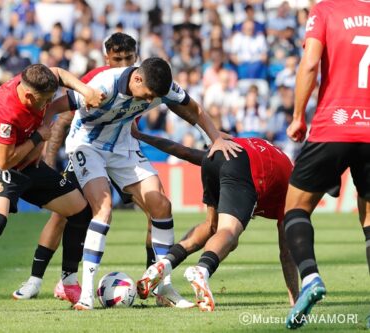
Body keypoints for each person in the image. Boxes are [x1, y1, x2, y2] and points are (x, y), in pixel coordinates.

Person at [46, 56, 242, 310]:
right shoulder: (105, 85)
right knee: (103, 209)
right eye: (148, 95)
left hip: (123, 145)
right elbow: (55, 107)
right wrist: (42, 127)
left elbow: (194, 109)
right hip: (87, 145)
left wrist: (214, 137)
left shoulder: (161, 85)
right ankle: (85, 295)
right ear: (137, 78)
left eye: (154, 98)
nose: (150, 101)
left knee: (161, 205)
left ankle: (164, 288)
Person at [0, 64, 104, 314]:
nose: (49, 103)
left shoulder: (32, 80)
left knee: (80, 210)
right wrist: (39, 137)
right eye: (45, 100)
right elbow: (4, 161)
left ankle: (68, 282)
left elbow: (58, 73)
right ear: (29, 96)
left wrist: (85, 90)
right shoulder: (6, 110)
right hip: (1, 167)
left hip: (30, 163)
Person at [12, 33, 151, 305]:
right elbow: (64, 115)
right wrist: (49, 157)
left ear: (136, 57)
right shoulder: (96, 79)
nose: (122, 63)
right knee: (62, 216)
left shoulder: (143, 80)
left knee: (154, 208)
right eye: (117, 59)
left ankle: (151, 280)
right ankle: (36, 280)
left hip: (122, 152)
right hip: (90, 150)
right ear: (106, 57)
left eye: (128, 58)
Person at [133, 126, 298, 311]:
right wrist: (296, 297)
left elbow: (185, 152)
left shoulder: (271, 154)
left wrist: (141, 136)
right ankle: (202, 270)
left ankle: (163, 264)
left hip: (216, 156)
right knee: (228, 233)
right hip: (244, 168)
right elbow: (287, 252)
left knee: (211, 227)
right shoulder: (293, 191)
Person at [280, 0, 370, 329]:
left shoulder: (325, 11)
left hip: (335, 124)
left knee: (295, 209)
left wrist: (297, 116)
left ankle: (311, 277)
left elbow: (310, 64)